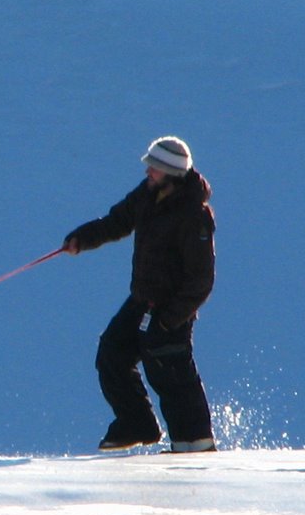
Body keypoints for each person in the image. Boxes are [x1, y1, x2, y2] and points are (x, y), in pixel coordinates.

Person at [62, 136, 216, 453]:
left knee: (170, 370)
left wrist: (168, 320)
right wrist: (82, 238)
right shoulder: (148, 195)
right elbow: (117, 221)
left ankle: (196, 445)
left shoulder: (193, 214)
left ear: (172, 173)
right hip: (141, 301)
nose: (148, 172)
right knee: (112, 353)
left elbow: (201, 280)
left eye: (155, 168)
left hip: (170, 310)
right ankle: (137, 425)